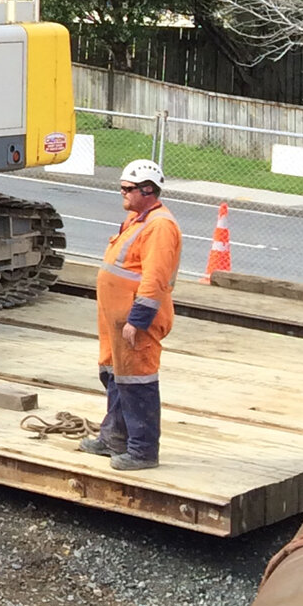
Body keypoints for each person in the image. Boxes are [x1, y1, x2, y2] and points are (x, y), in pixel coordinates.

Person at [86, 157, 181, 470]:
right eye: (122, 188)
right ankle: (114, 437)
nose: (123, 194)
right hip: (116, 320)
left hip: (135, 321)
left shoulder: (160, 226)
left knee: (137, 383)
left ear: (148, 190)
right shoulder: (139, 220)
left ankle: (142, 451)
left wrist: (138, 321)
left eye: (128, 189)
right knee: (115, 376)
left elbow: (154, 277)